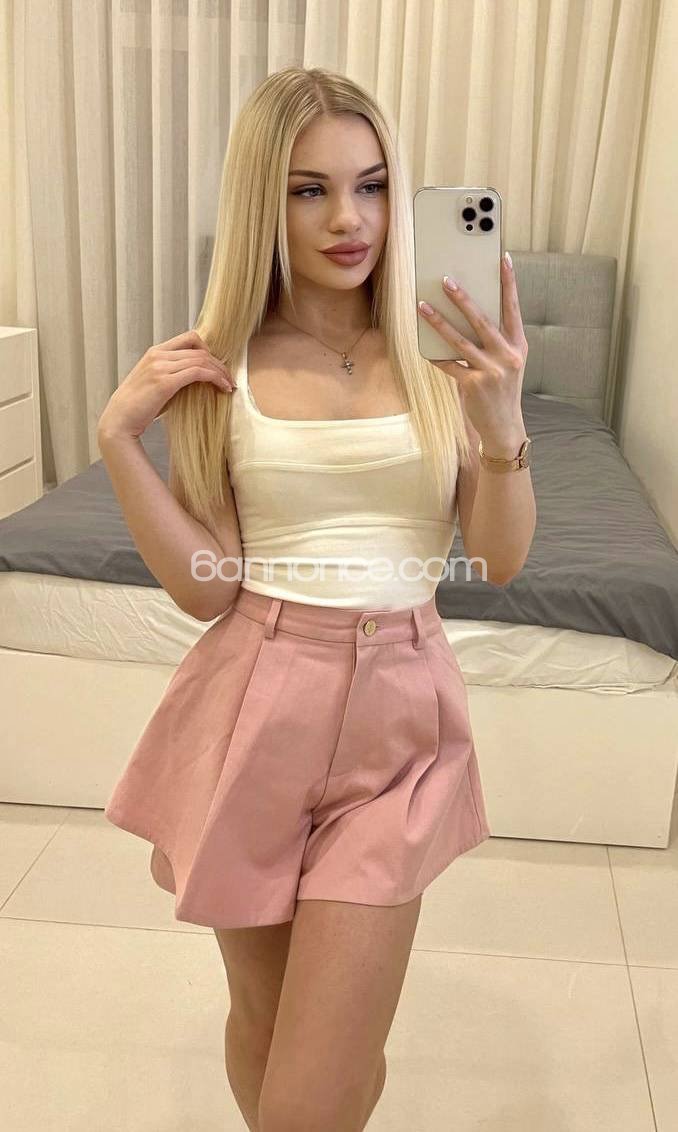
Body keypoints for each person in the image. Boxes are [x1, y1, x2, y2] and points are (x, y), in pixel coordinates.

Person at [98, 66, 534, 1132]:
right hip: (252, 702)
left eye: (373, 185)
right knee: (265, 1020)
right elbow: (205, 589)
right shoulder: (223, 368)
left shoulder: (446, 359)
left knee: (322, 1081)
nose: (350, 219)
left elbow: (498, 558)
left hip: (400, 718)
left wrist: (502, 428)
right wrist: (117, 440)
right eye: (310, 190)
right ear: (264, 202)